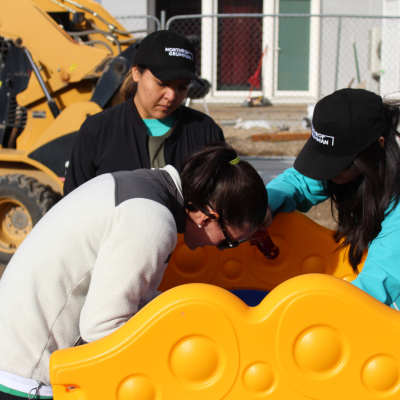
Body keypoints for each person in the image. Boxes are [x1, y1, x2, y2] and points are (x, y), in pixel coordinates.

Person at [0, 142, 268, 399]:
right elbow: (102, 328)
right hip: (28, 374)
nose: (222, 248)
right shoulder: (150, 220)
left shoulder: (145, 187)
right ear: (205, 217)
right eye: (229, 241)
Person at [266, 88, 400, 309]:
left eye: (339, 162)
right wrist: (264, 204)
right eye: (322, 160)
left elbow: (377, 285)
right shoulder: (353, 172)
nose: (329, 171)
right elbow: (298, 182)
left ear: (379, 145)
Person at [63, 30, 224, 196]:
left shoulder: (206, 131)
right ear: (136, 73)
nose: (172, 95)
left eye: (182, 87)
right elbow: (74, 202)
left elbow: (224, 198)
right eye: (162, 83)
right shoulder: (98, 130)